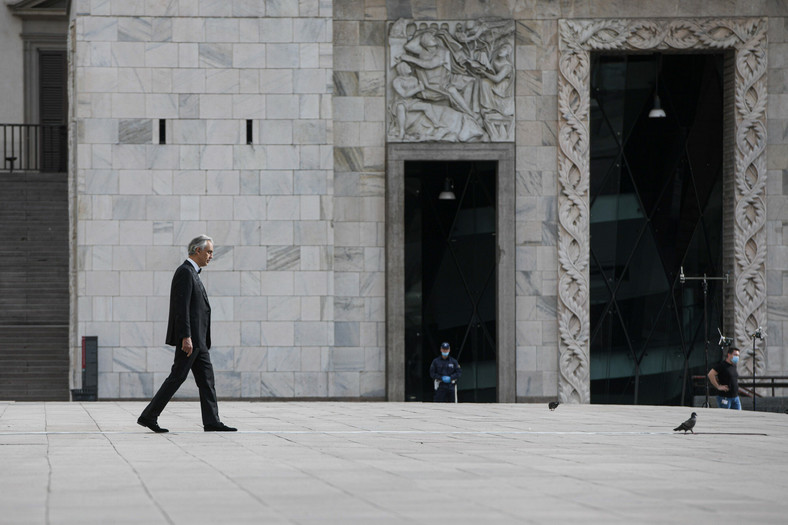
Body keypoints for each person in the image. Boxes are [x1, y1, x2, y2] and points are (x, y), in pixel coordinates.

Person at [137, 235, 236, 432]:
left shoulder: (193, 273)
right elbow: (180, 308)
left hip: (199, 341)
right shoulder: (185, 272)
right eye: (208, 252)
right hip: (191, 340)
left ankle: (212, 421)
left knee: (207, 381)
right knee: (177, 377)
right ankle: (149, 416)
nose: (211, 256)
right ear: (197, 251)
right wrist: (185, 336)